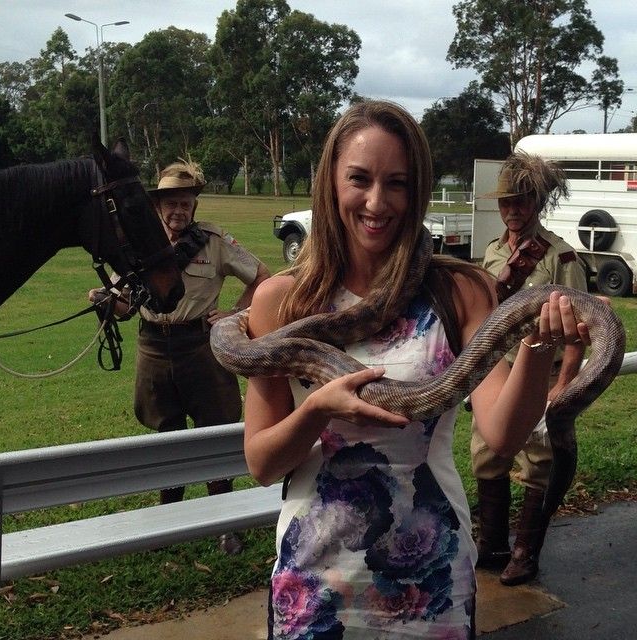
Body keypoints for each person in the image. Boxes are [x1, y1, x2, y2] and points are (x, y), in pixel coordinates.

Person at [242, 101, 590, 638]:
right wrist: (317, 409)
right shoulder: (281, 302)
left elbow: (501, 434)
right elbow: (263, 464)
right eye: (359, 179)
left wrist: (539, 343)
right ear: (330, 183)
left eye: (397, 183)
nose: (377, 202)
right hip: (314, 572)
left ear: (418, 189)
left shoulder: (460, 290)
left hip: (433, 569)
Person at [89, 158, 270, 555]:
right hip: (153, 347)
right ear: (157, 206)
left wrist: (237, 313)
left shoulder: (213, 241)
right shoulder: (139, 244)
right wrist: (104, 302)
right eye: (170, 203)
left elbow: (262, 277)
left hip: (201, 347)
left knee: (212, 432)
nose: (178, 210)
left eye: (185, 203)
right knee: (166, 435)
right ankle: (167, 522)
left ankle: (224, 525)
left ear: (194, 206)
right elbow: (125, 305)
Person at [471, 151, 588, 586]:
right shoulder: (493, 252)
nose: (512, 210)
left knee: (538, 462)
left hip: (541, 373)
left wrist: (563, 385)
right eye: (506, 202)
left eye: (521, 201)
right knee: (486, 455)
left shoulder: (561, 258)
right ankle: (492, 544)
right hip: (497, 372)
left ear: (537, 202)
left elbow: (577, 334)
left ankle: (525, 553)